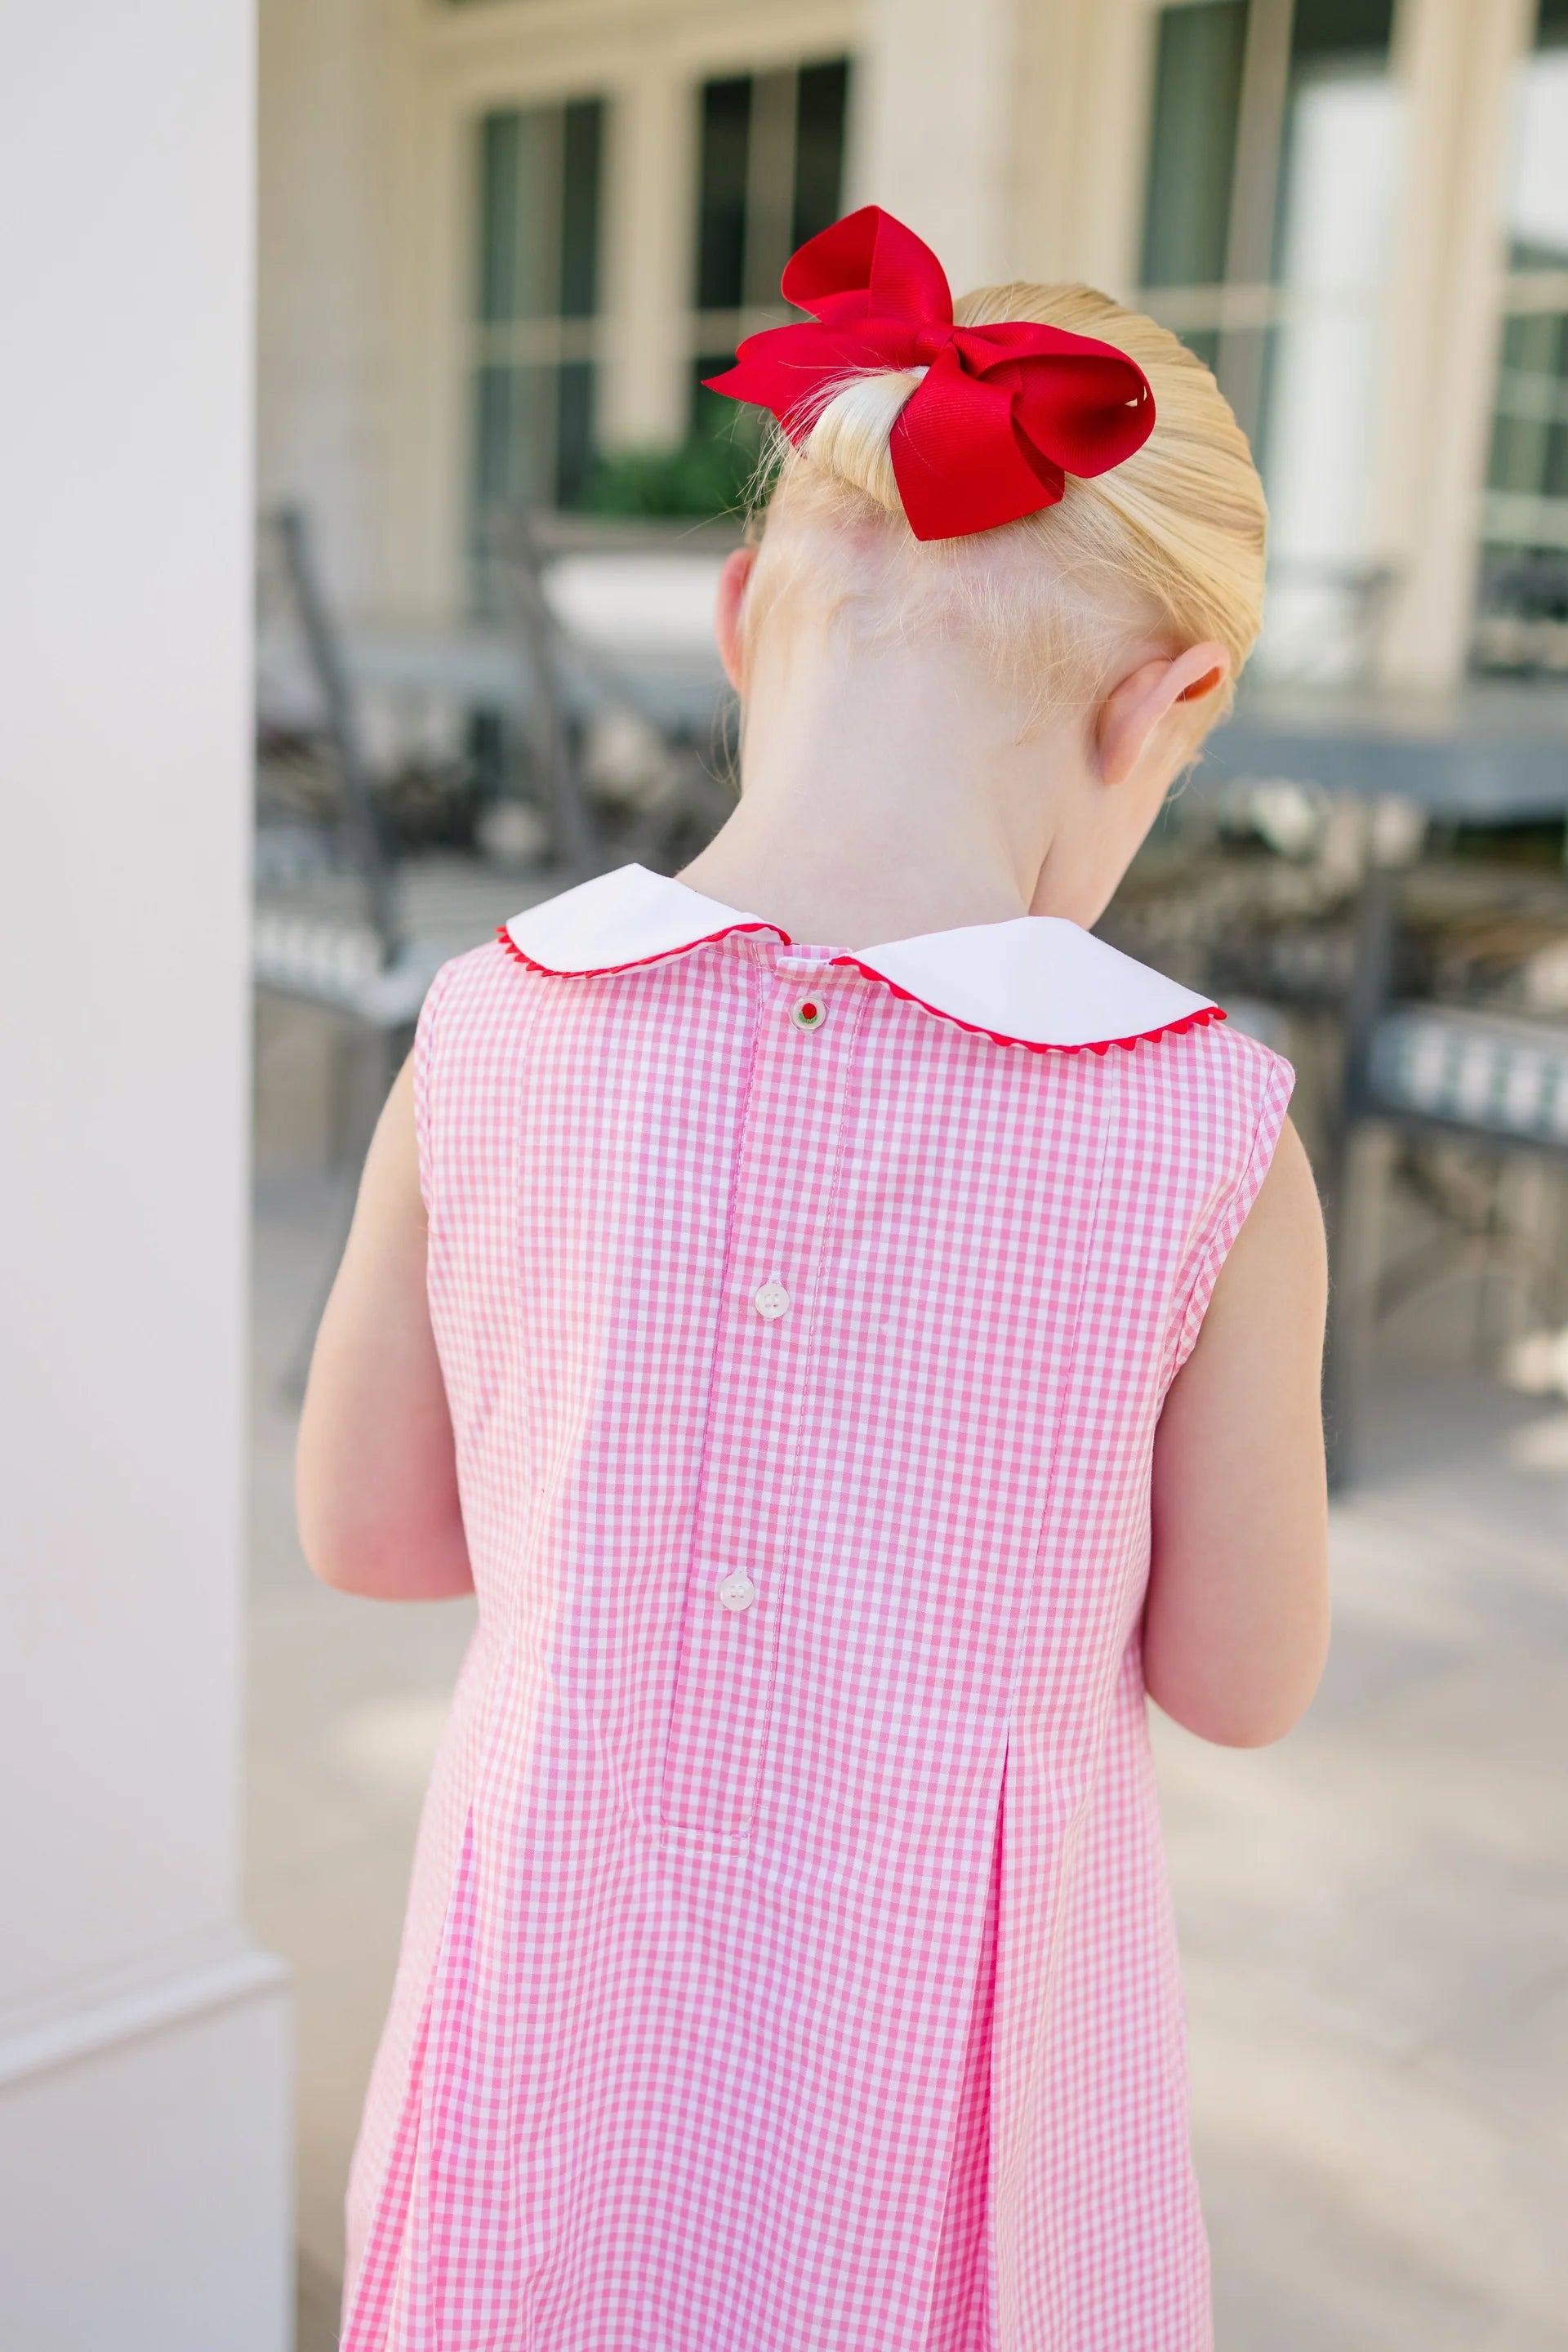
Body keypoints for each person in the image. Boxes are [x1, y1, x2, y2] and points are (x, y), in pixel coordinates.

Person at [297, 207, 1329, 2352]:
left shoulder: (488, 1019)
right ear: (1174, 699)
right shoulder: (1204, 1130)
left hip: (549, 2078)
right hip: (944, 2120)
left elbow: (371, 1531)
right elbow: (1241, 1675)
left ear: (747, 614)